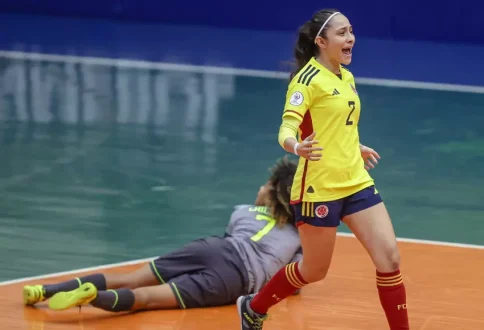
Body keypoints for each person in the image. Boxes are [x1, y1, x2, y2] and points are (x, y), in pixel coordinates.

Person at [237, 9, 410, 330]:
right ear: (321, 41)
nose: (351, 39)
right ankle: (254, 307)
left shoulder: (346, 76)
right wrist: (296, 147)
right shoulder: (306, 81)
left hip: (356, 181)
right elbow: (287, 127)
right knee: (314, 271)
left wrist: (352, 146)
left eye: (351, 31)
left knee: (390, 259)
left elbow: (336, 123)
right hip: (318, 188)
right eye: (342, 33)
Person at [22, 157, 302, 313]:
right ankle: (92, 297)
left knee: (130, 279)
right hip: (233, 279)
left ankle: (44, 291)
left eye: (265, 185)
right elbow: (295, 281)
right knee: (145, 299)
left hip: (212, 248)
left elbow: (237, 235)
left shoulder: (243, 212)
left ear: (270, 192)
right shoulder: (299, 237)